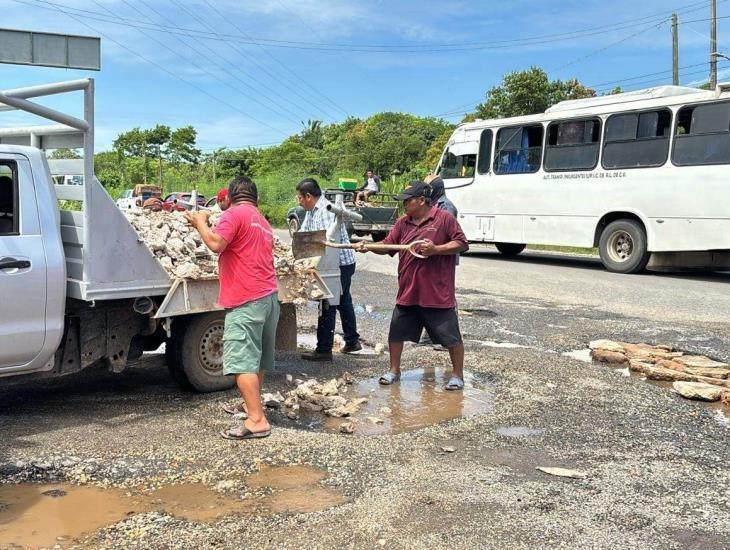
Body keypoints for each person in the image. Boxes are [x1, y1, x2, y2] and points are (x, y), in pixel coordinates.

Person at [186, 175, 279, 440]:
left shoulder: (234, 214)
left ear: (229, 198)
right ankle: (253, 408)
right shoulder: (262, 221)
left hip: (246, 300)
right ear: (256, 198)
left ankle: (256, 420)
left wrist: (200, 223)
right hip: (269, 298)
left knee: (242, 363)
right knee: (257, 359)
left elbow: (216, 244)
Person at [355, 180, 469, 390]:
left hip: (437, 292)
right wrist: (368, 246)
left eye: (408, 201)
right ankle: (394, 370)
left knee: (451, 336)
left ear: (422, 201)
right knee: (396, 333)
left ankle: (457, 375)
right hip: (408, 290)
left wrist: (437, 249)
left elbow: (462, 243)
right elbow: (388, 244)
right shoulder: (402, 223)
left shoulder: (443, 219)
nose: (404, 205)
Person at [296, 178, 361, 361]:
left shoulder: (326, 210)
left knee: (327, 302)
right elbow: (303, 234)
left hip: (338, 262)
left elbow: (326, 243)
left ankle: (324, 349)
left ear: (308, 196)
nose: (298, 201)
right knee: (342, 300)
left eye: (299, 198)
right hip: (332, 261)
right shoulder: (311, 211)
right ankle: (352, 341)